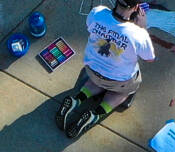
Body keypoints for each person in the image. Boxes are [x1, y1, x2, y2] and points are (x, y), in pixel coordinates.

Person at [57, 0, 162, 138]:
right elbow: (149, 58)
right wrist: (142, 27)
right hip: (118, 80)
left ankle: (76, 100)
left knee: (97, 81)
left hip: (92, 69)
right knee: (124, 91)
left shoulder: (97, 12)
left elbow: (90, 26)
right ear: (136, 8)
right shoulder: (138, 34)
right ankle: (95, 114)